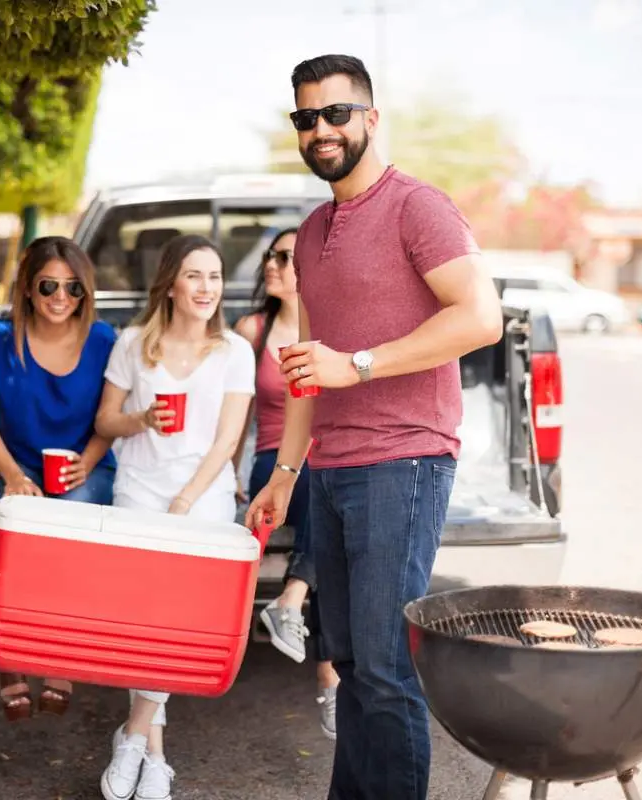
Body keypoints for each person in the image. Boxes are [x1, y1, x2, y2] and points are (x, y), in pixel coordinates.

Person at [245, 55, 503, 800]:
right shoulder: (315, 229)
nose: (320, 129)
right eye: (305, 118)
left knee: (387, 670)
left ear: (370, 118)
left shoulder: (417, 207)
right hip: (329, 472)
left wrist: (356, 365)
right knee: (352, 663)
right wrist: (285, 480)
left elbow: (479, 318)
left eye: (335, 113)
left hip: (405, 463)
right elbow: (305, 370)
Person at [93, 234, 255, 800]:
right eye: (195, 275)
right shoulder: (134, 343)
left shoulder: (236, 351)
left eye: (214, 276)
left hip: (203, 497)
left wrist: (186, 500)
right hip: (138, 488)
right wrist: (142, 420)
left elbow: (228, 439)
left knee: (179, 620)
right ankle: (153, 752)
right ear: (171, 283)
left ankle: (134, 734)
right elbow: (105, 422)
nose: (207, 287)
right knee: (145, 620)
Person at [0, 235, 117, 721]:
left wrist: (89, 461)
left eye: (74, 289)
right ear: (28, 288)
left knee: (71, 528)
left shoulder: (105, 341)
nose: (61, 297)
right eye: (49, 284)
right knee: (15, 530)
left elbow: (112, 419)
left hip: (83, 465)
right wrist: (10, 475)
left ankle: (59, 658)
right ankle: (8, 659)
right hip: (14, 463)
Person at [232, 227, 340, 740]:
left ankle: (292, 601)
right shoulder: (251, 330)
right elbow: (236, 411)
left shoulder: (336, 331)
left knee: (330, 496)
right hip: (273, 462)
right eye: (270, 257)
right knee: (325, 496)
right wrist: (232, 475)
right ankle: (330, 680)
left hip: (324, 463)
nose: (271, 266)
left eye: (284, 258)